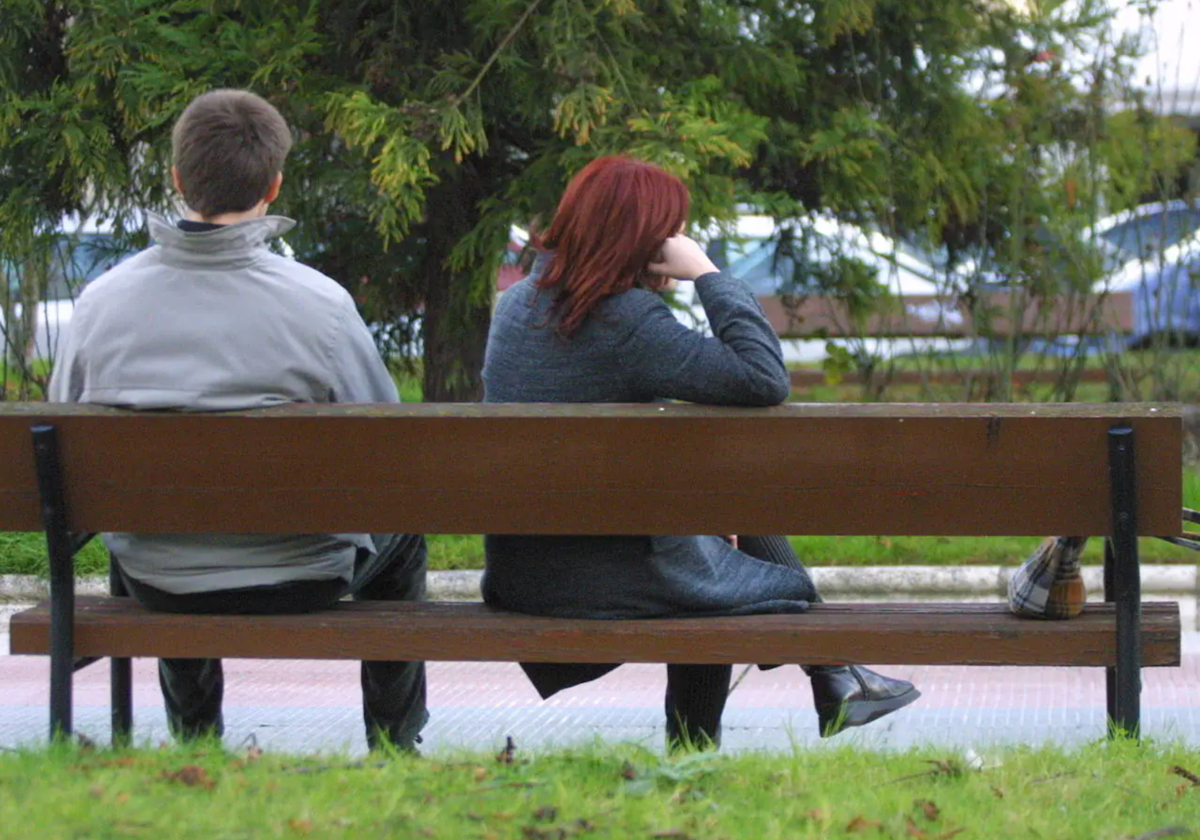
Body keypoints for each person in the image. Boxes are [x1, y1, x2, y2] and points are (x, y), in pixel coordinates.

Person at [482, 156, 920, 749]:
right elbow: (764, 379)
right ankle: (723, 734)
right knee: (761, 584)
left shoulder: (515, 308)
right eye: (669, 230)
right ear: (642, 237)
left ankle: (835, 673)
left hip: (522, 573)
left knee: (714, 524)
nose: (677, 241)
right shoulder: (626, 320)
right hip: (601, 579)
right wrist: (710, 274)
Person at [48, 89, 427, 751]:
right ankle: (395, 744)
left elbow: (60, 439)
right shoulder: (322, 307)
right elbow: (386, 453)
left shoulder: (101, 305)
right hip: (303, 575)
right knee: (407, 537)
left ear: (176, 179)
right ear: (274, 185)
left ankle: (195, 740)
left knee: (155, 530)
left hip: (159, 582)